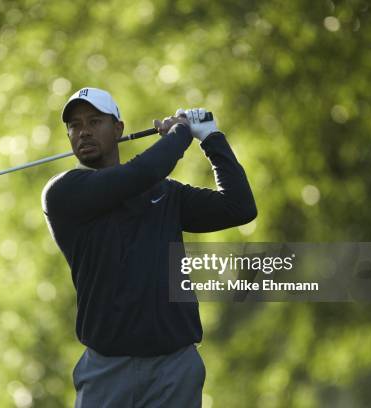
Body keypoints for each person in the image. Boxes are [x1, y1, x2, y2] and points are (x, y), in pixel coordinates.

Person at [42, 87, 257, 407]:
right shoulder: (63, 193)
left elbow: (239, 207)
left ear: (118, 129)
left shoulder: (165, 195)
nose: (83, 131)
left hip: (174, 369)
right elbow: (139, 173)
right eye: (74, 125)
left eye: (94, 121)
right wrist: (182, 133)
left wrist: (211, 138)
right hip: (106, 371)